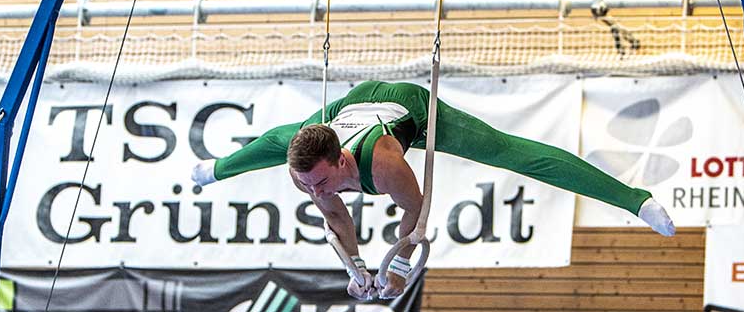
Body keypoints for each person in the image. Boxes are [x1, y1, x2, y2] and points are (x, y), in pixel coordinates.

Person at [192, 80, 675, 299]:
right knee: (279, 142)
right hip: (352, 103)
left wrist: (397, 268)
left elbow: (416, 216)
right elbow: (336, 217)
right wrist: (357, 269)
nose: (313, 189)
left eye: (318, 180)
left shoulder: (381, 165)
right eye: (306, 182)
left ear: (340, 160)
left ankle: (637, 200)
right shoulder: (309, 170)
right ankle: (217, 168)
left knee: (515, 153)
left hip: (410, 111)